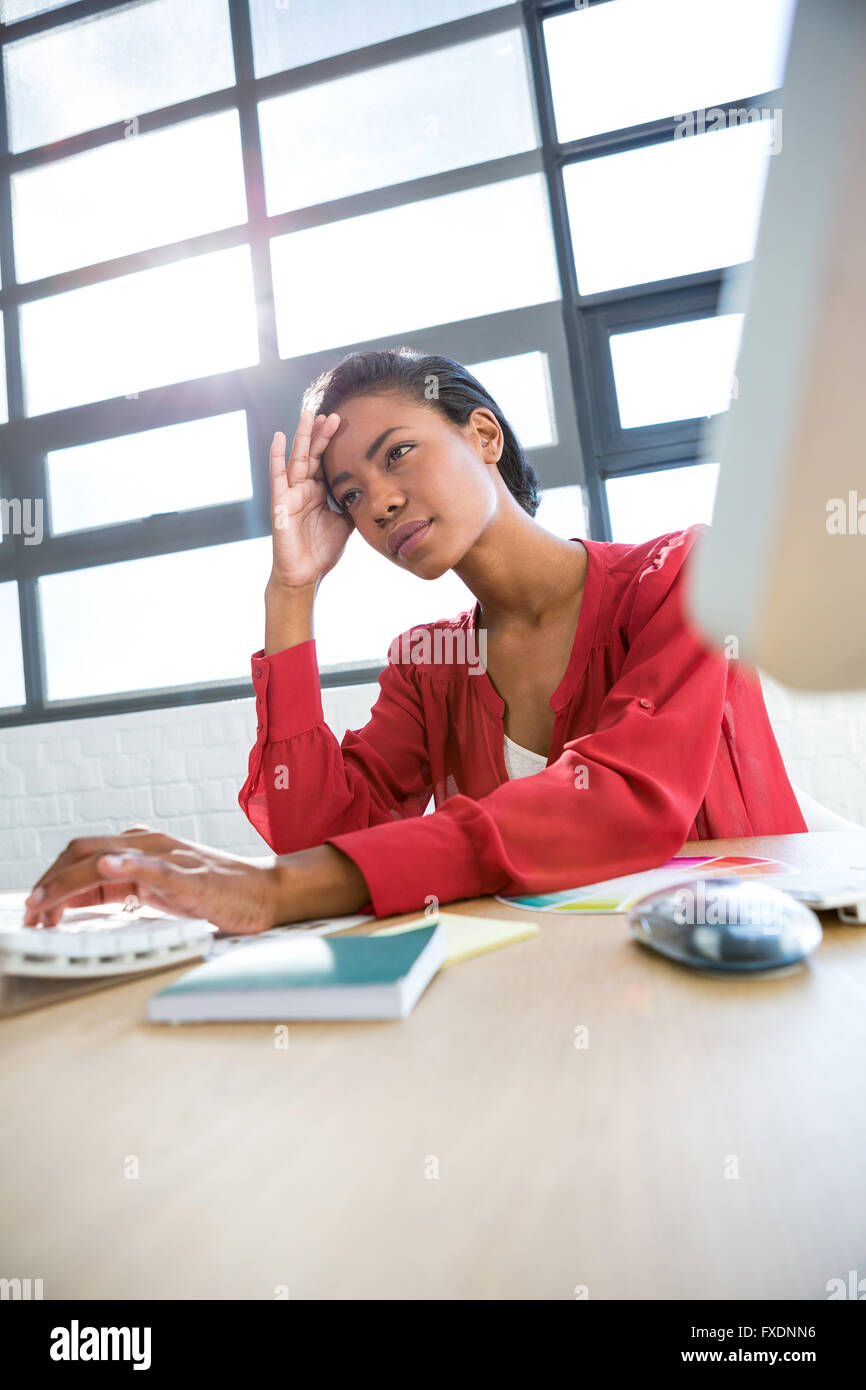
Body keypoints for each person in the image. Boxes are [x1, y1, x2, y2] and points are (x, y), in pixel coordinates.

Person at [22, 348, 806, 934]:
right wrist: (291, 595)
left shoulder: (681, 576)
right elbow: (322, 836)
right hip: (535, 988)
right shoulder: (430, 664)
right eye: (350, 495)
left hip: (736, 976)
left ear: (484, 435)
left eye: (397, 452)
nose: (381, 503)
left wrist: (273, 888)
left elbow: (622, 802)